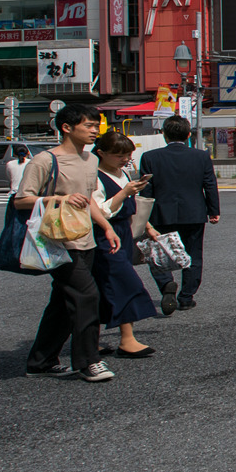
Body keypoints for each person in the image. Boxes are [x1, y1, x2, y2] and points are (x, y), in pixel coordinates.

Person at [13, 104, 119, 381]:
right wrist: (57, 199)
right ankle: (88, 362)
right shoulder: (45, 161)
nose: (95, 130)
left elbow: (87, 200)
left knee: (62, 302)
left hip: (85, 239)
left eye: (97, 125)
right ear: (66, 128)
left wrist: (106, 226)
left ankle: (40, 361)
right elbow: (21, 200)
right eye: (89, 125)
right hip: (56, 241)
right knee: (87, 296)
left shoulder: (91, 160)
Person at [140, 115, 221, 313]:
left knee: (159, 252)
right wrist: (214, 211)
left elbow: (146, 191)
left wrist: (145, 218)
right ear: (187, 134)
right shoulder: (201, 156)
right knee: (193, 253)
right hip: (193, 212)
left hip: (161, 213)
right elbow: (210, 185)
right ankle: (186, 296)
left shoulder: (150, 157)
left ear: (164, 134)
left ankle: (166, 282)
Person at [91, 130, 161, 358]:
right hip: (104, 234)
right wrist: (124, 193)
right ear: (101, 153)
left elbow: (129, 204)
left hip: (123, 230)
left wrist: (147, 226)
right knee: (124, 283)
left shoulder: (121, 172)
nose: (124, 160)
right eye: (119, 155)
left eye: (127, 155)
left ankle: (92, 339)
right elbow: (100, 210)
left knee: (103, 287)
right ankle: (127, 339)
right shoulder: (94, 176)